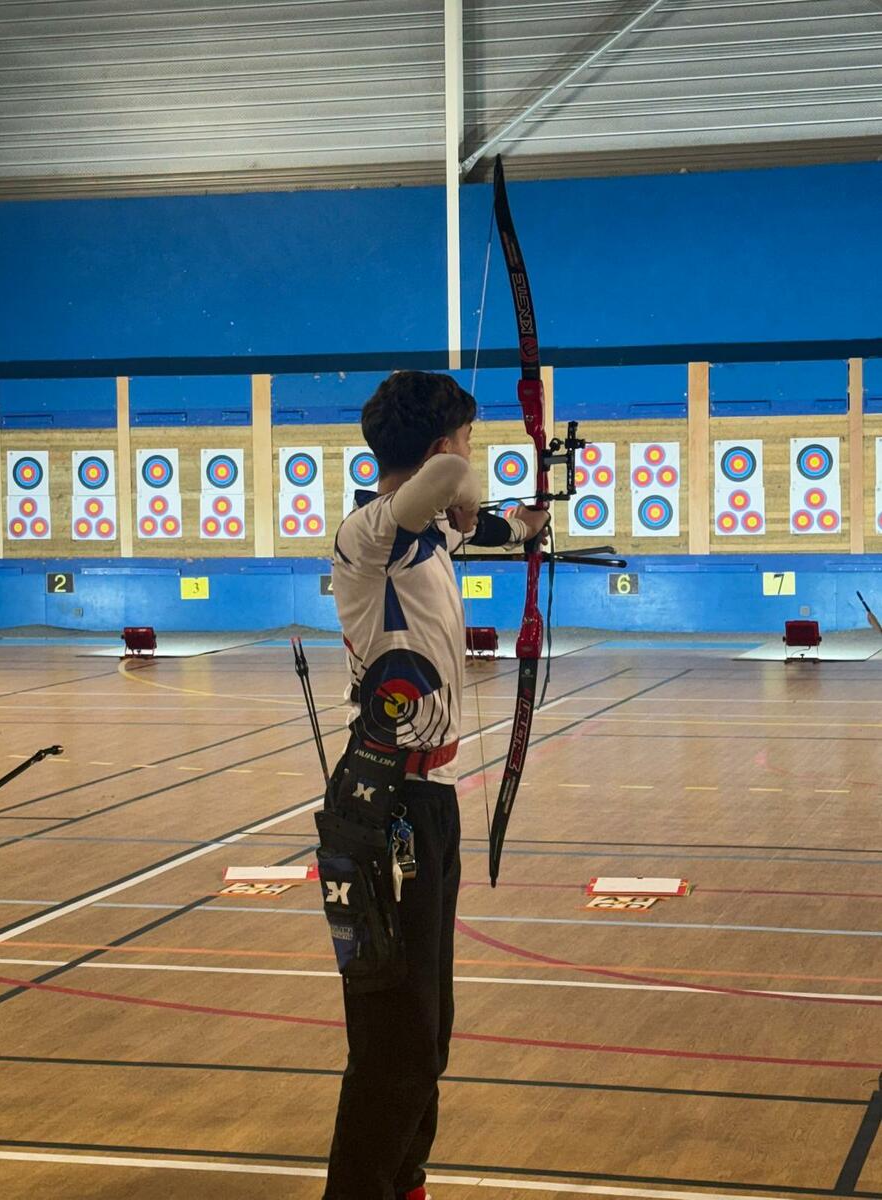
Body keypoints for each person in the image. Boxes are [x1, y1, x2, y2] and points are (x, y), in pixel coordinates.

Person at [320, 370, 549, 1200]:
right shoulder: (369, 532)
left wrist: (523, 523)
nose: (470, 455)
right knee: (397, 1038)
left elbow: (481, 519)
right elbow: (450, 481)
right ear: (441, 445)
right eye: (468, 439)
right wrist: (460, 480)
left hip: (426, 803)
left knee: (428, 1029)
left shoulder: (421, 541)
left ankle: (404, 1182)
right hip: (381, 806)